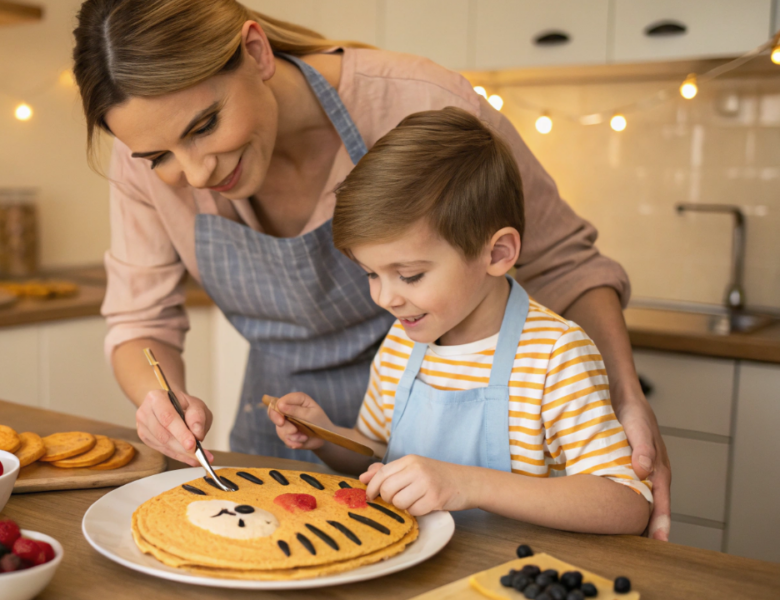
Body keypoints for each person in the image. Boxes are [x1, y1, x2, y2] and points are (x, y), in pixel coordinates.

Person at [72, 0, 671, 538]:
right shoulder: (400, 352)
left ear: (255, 52)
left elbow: (567, 261)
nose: (196, 175)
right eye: (159, 158)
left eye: (203, 127)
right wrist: (163, 401)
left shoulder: (420, 102)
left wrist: (625, 398)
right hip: (303, 441)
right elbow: (139, 320)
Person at [270, 107, 651, 533]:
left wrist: (466, 484)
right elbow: (381, 456)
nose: (386, 298)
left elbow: (627, 504)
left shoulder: (554, 355)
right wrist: (329, 437)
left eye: (410, 275)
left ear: (498, 253)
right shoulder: (402, 342)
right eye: (371, 275)